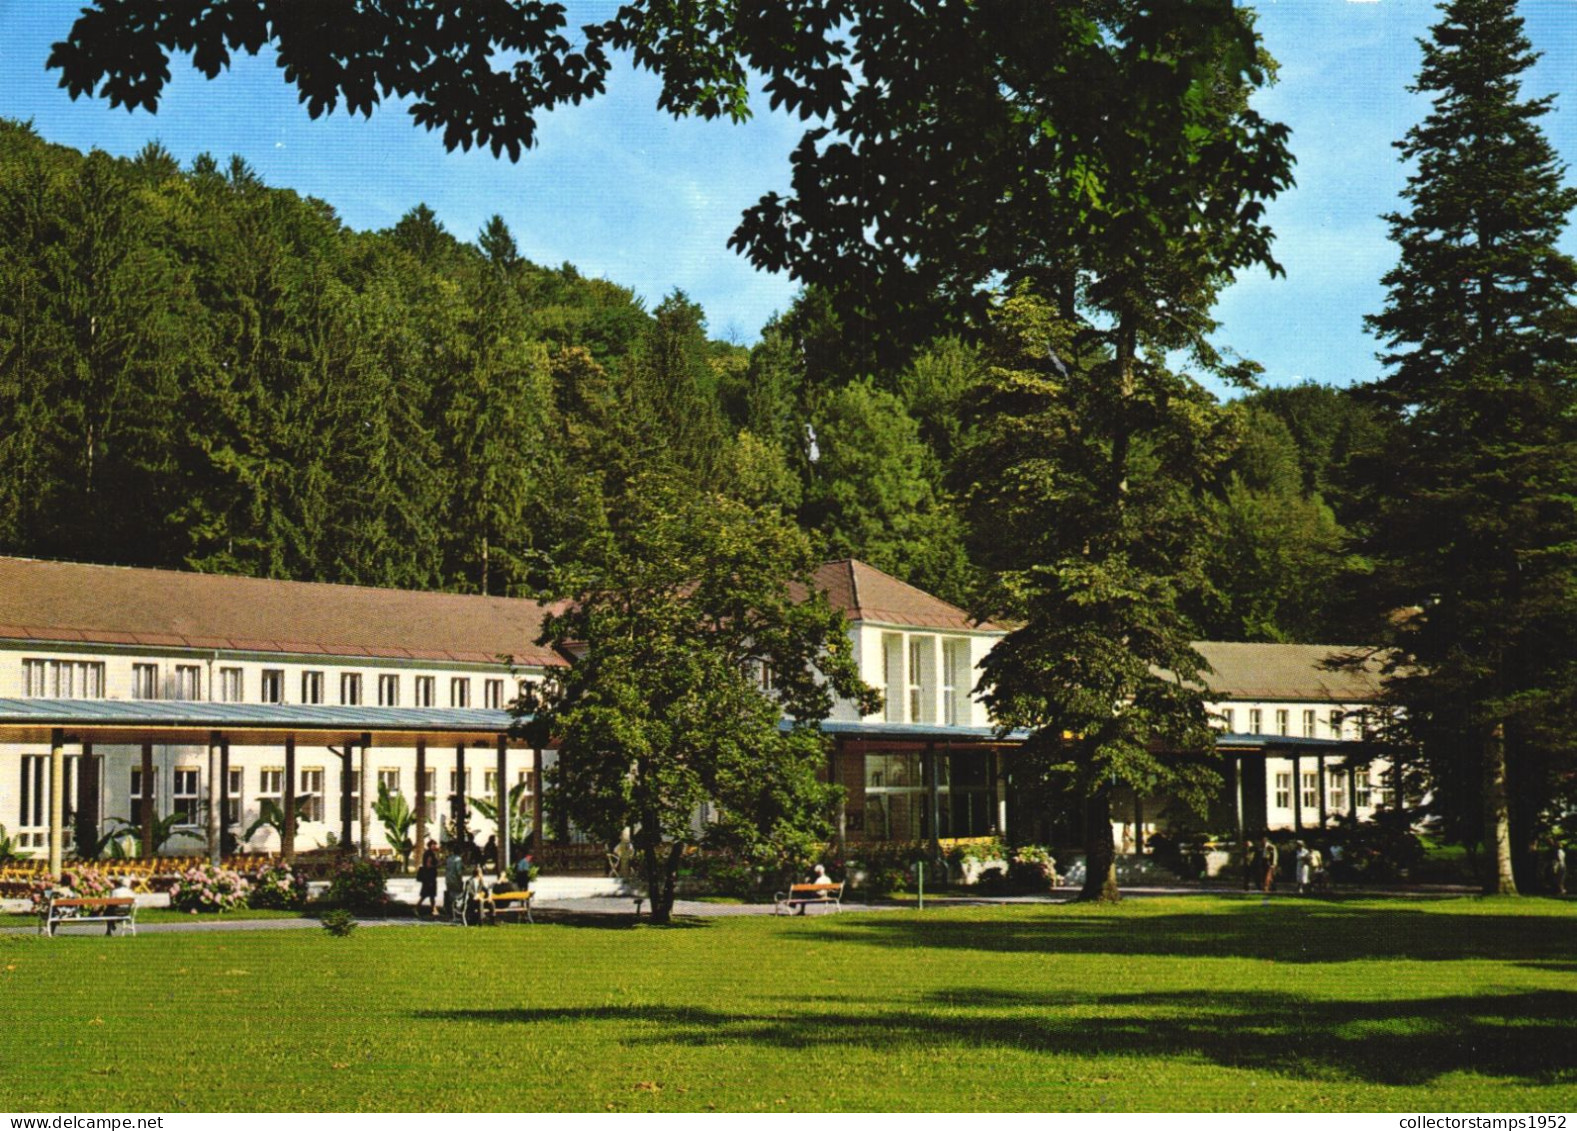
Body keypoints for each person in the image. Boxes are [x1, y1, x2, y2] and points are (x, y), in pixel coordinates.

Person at [416, 839, 440, 918]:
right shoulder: (429, 854)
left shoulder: (430, 853)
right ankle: (417, 908)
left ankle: (433, 909)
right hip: (429, 877)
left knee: (430, 894)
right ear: (430, 845)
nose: (435, 846)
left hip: (429, 877)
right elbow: (428, 865)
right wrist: (437, 865)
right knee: (427, 894)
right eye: (433, 845)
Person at [443, 846, 465, 918]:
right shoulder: (458, 859)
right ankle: (456, 912)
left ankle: (450, 912)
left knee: (450, 895)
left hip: (448, 879)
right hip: (455, 880)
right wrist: (460, 880)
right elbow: (459, 872)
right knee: (457, 896)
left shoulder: (449, 859)